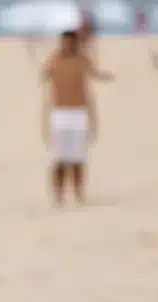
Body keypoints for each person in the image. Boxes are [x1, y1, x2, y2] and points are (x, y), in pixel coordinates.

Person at [41, 29, 114, 205]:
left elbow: (94, 75)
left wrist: (93, 119)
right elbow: (45, 79)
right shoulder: (54, 60)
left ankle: (78, 193)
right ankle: (58, 195)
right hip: (59, 113)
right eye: (63, 42)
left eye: (69, 42)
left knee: (78, 158)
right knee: (59, 158)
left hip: (78, 113)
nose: (65, 45)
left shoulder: (82, 60)